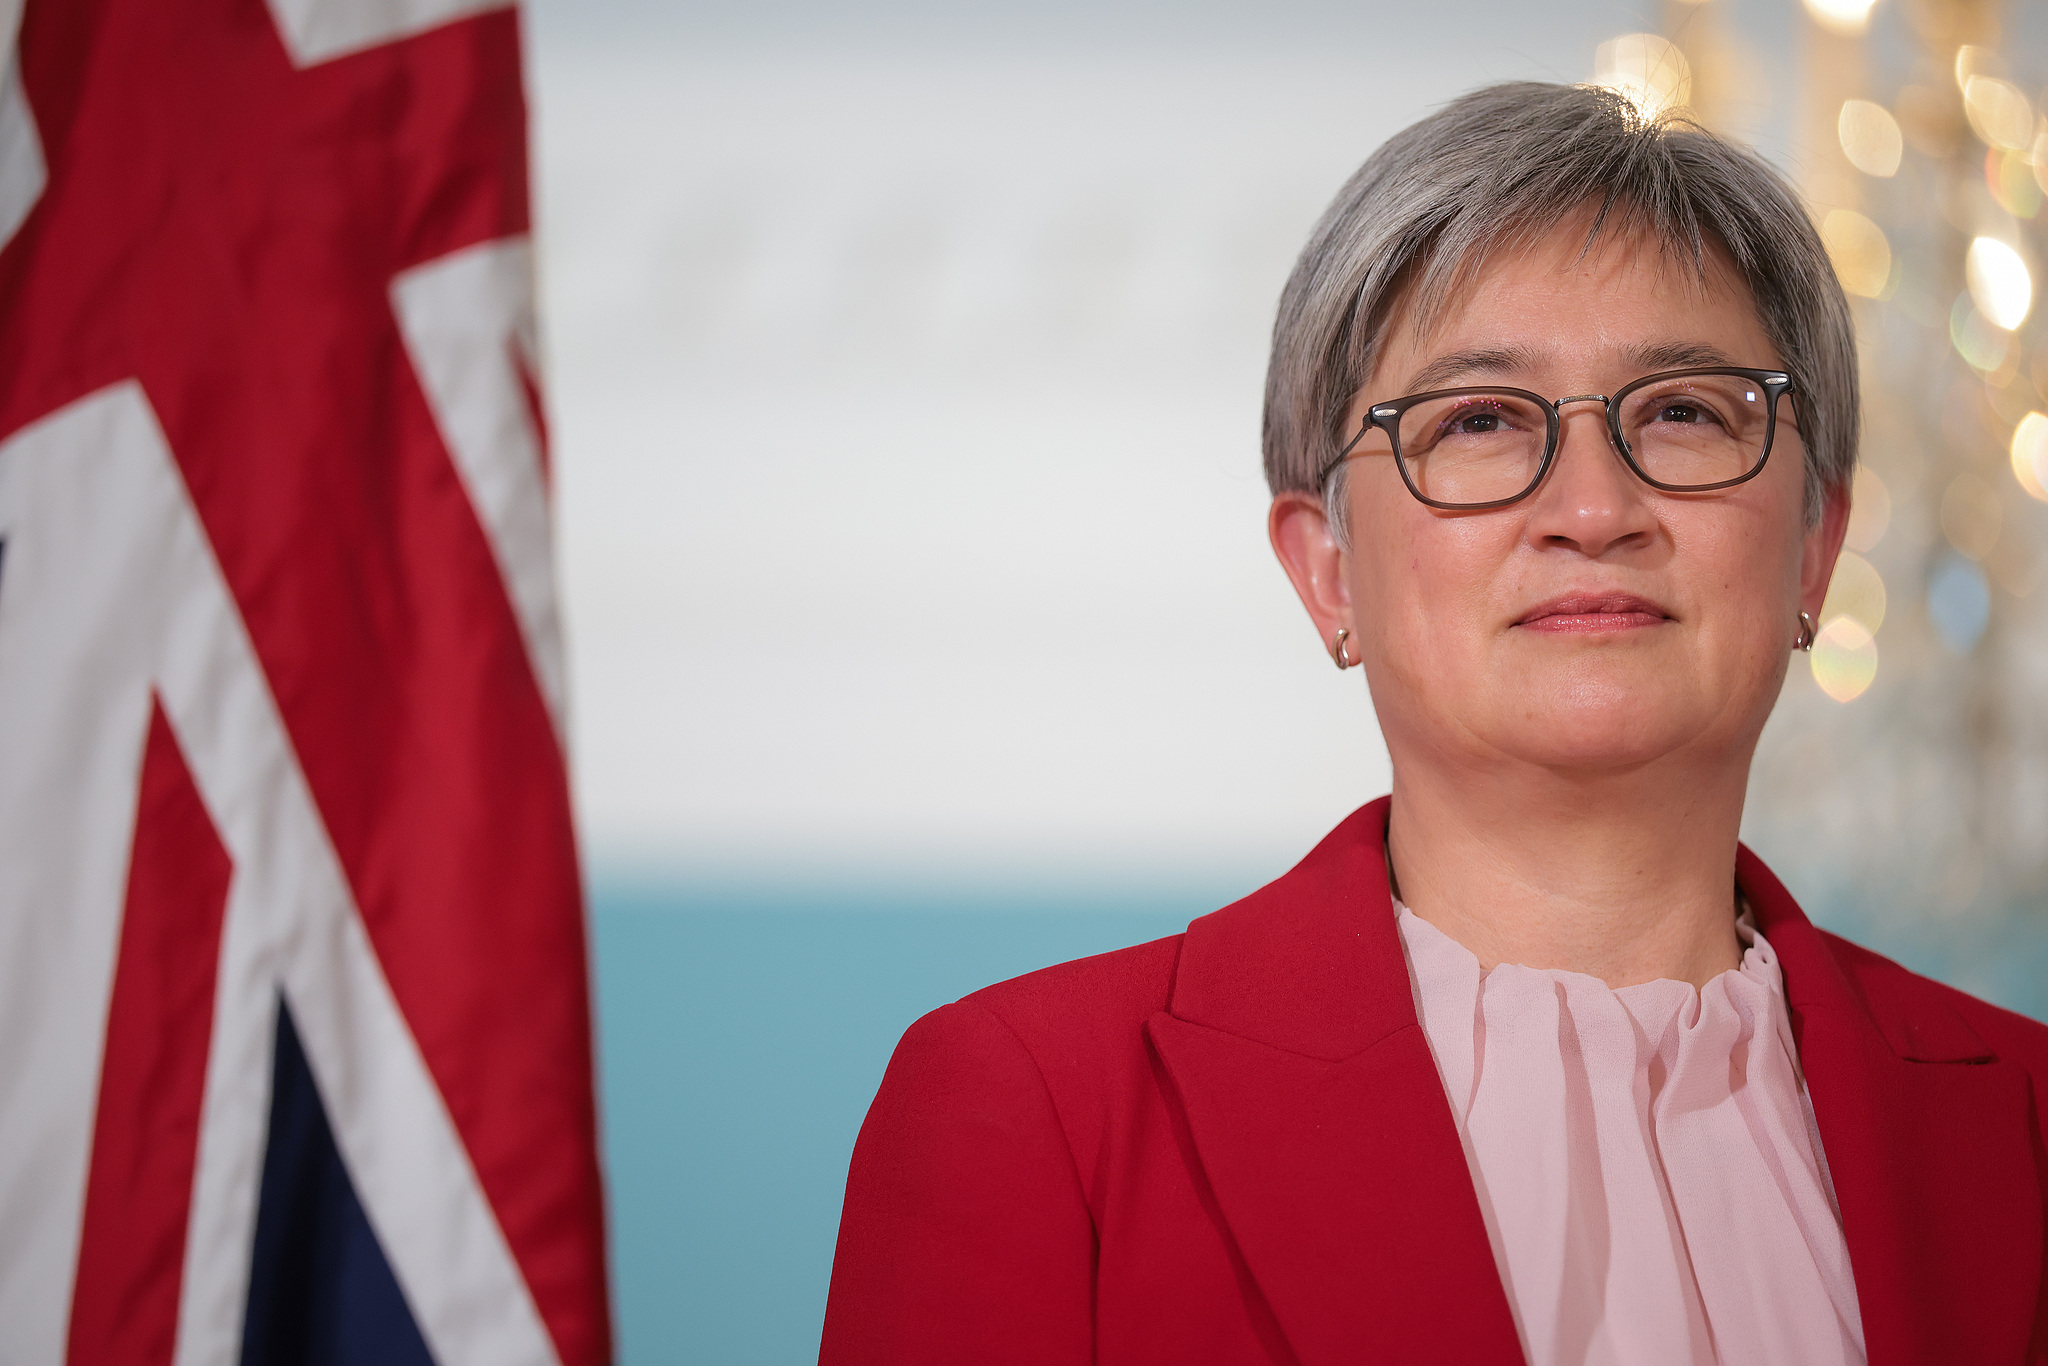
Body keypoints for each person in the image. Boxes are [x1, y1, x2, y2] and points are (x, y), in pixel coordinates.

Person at [818, 81, 2048, 1366]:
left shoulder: (2028, 1121)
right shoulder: (1037, 1109)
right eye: (1475, 421)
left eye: (1683, 410)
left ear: (1812, 550)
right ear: (1327, 573)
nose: (1591, 507)